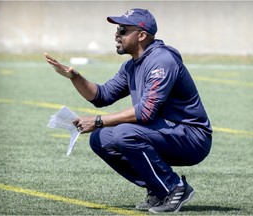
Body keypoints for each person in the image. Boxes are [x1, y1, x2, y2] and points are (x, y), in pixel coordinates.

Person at [45, 8, 212, 213]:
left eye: (123, 30)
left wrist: (97, 120)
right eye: (117, 29)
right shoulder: (131, 66)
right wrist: (75, 77)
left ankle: (174, 187)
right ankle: (158, 189)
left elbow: (145, 112)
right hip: (164, 132)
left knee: (125, 133)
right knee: (101, 138)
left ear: (141, 35)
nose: (116, 34)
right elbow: (102, 96)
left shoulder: (162, 61)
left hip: (192, 138)